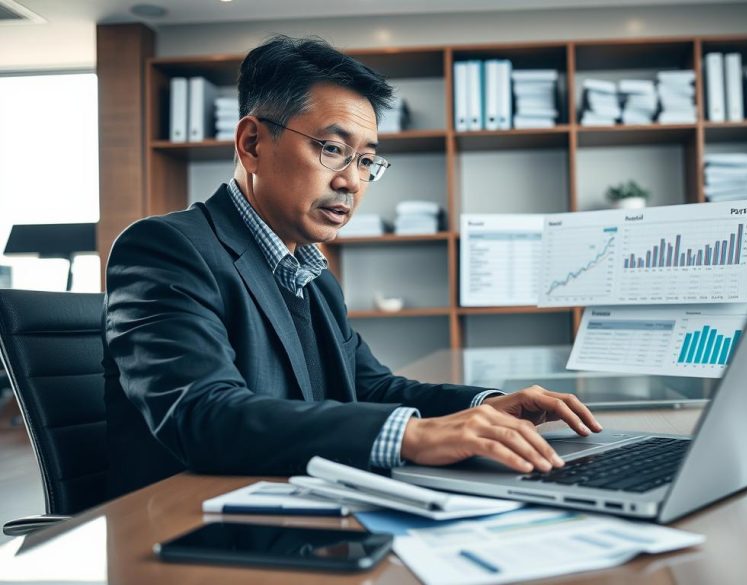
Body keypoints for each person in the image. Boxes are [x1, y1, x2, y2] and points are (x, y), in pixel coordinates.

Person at [102, 35, 602, 498]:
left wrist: (482, 406)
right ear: (252, 144)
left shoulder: (311, 272)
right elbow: (202, 414)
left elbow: (368, 387)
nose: (352, 182)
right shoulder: (167, 249)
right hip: (189, 520)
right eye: (333, 149)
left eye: (365, 161)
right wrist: (411, 435)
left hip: (295, 503)